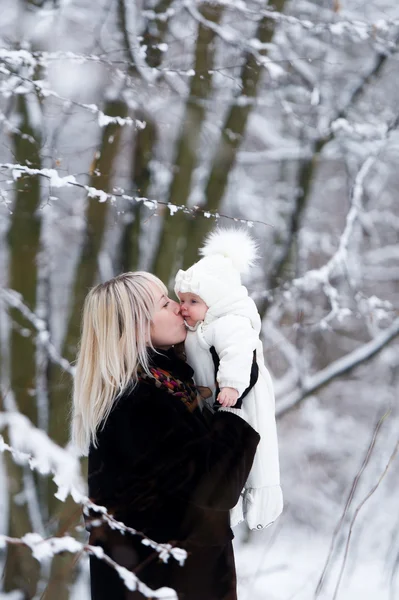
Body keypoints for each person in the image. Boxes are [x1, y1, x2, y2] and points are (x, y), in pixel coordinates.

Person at [71, 271, 260, 600]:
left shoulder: (167, 385)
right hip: (164, 585)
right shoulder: (137, 403)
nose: (178, 307)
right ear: (136, 327)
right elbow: (215, 486)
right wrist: (232, 406)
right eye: (163, 303)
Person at [174, 229, 283, 531]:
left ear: (217, 301)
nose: (184, 307)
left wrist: (232, 385)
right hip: (218, 401)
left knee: (255, 457)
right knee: (225, 460)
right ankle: (232, 507)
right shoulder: (201, 326)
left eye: (193, 300)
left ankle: (260, 501)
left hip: (239, 398)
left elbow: (237, 351)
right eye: (182, 299)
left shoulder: (229, 323)